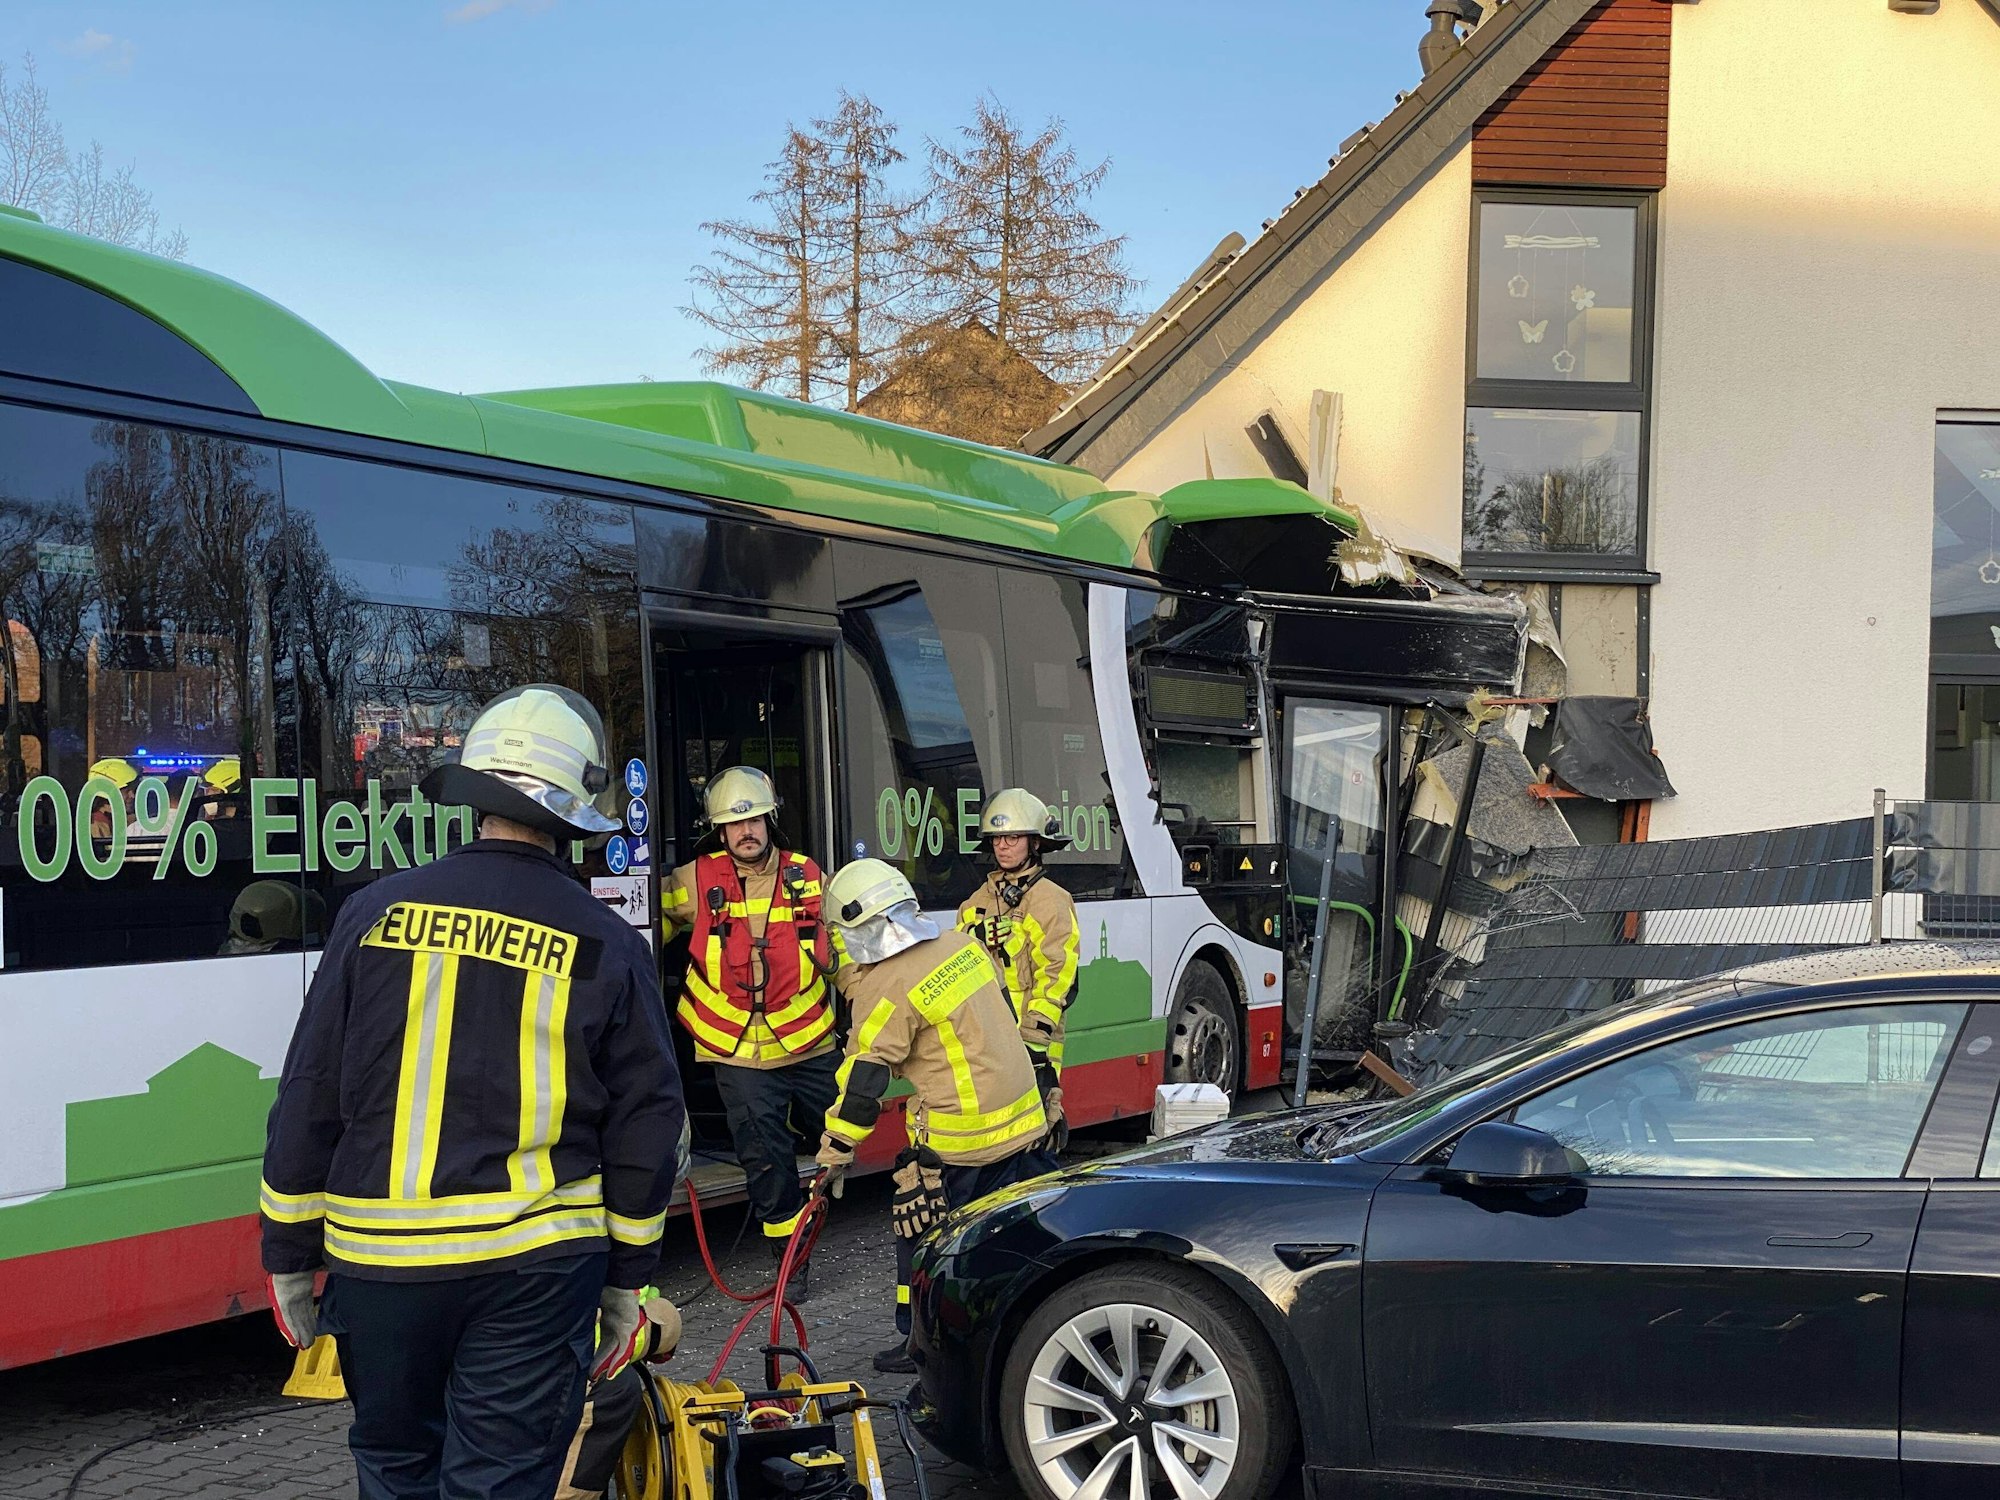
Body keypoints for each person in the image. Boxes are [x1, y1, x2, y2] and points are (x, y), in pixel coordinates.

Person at [259, 684, 685, 1500]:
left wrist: (287, 1254)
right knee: (499, 1482)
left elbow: (310, 1091)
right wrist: (627, 1279)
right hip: (533, 1270)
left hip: (379, 1269)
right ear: (572, 807)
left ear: (475, 795)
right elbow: (648, 1125)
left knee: (395, 1471)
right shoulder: (604, 940)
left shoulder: (372, 913)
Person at [814, 858, 1055, 1375]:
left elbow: (865, 1080)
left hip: (963, 1145)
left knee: (924, 1245)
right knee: (1014, 1241)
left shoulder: (887, 984)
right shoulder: (962, 946)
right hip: (1025, 1125)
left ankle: (923, 1347)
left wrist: (836, 1149)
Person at [661, 766, 836, 1286]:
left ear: (769, 821)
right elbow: (642, 925)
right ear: (719, 831)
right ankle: (790, 1260)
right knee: (765, 1158)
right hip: (734, 1047)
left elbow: (843, 950)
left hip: (808, 1039)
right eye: (735, 824)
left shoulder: (808, 875)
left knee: (844, 1129)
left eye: (754, 820)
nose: (746, 832)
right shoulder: (694, 880)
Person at [956, 790, 1078, 1147]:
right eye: (997, 838)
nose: (1003, 846)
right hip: (984, 1041)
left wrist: (1036, 1038)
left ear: (1034, 842)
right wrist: (973, 936)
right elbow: (953, 963)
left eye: (1012, 837)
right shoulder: (974, 903)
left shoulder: (1051, 900)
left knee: (1035, 1135)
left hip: (1031, 1040)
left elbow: (1059, 975)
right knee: (991, 1139)